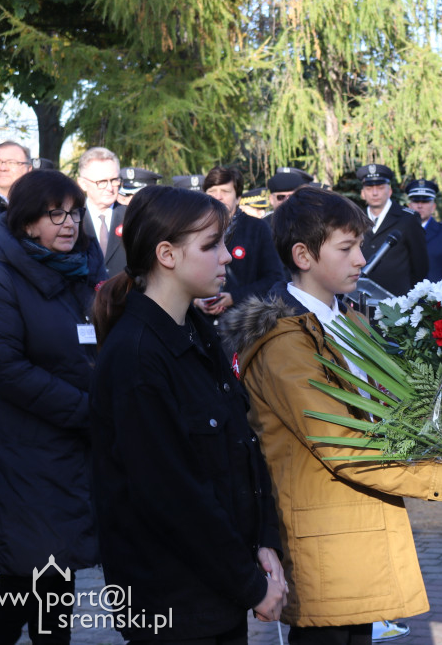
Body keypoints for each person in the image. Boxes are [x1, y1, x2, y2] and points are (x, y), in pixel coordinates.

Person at [220, 186, 442, 645]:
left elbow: (393, 419)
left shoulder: (349, 321)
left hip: (356, 533)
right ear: (303, 255)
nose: (361, 259)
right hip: (326, 541)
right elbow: (346, 447)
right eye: (346, 248)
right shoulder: (285, 343)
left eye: (360, 245)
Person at [90, 185, 287, 643]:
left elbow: (241, 447)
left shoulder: (196, 331)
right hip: (172, 606)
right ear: (167, 254)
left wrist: (263, 540)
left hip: (216, 593)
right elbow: (171, 494)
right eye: (210, 245)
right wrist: (248, 583)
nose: (227, 258)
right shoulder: (136, 356)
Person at [0, 169, 106, 644]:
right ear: (28, 222)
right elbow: (6, 369)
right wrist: (88, 410)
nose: (69, 224)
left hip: (71, 449)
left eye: (74, 213)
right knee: (31, 573)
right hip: (24, 448)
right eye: (55, 214)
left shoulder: (81, 267)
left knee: (56, 571)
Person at [196, 166, 284, 319]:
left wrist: (234, 297)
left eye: (225, 191)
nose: (218, 197)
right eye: (212, 191)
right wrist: (196, 300)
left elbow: (275, 279)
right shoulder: (195, 229)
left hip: (243, 324)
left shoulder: (257, 228)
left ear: (238, 197)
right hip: (202, 324)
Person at [357, 164, 428, 297]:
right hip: (361, 303)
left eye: (380, 187)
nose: (374, 193)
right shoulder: (355, 219)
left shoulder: (407, 219)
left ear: (389, 191)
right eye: (369, 188)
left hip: (397, 303)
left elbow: (420, 266)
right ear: (363, 193)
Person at [406, 179, 442, 295]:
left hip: (434, 305)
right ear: (409, 205)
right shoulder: (399, 232)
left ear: (433, 207)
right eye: (416, 200)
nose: (420, 205)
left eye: (425, 201)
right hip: (402, 302)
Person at [77, 146, 128, 276]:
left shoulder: (132, 217)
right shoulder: (73, 219)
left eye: (114, 180)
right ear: (83, 183)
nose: (110, 188)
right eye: (102, 182)